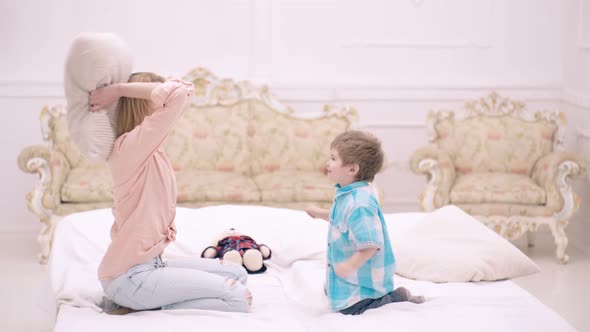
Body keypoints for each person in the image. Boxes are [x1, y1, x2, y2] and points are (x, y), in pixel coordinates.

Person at [90, 72, 252, 314]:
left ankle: (150, 300)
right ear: (141, 101)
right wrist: (118, 90)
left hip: (153, 265)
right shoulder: (128, 149)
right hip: (129, 278)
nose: (161, 94)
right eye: (154, 91)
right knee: (238, 298)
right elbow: (180, 92)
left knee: (237, 273)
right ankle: (146, 303)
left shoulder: (148, 150)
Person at [306, 130, 424, 315]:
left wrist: (349, 266)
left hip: (363, 286)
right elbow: (343, 218)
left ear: (352, 169)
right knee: (334, 295)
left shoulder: (360, 204)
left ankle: (392, 298)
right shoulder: (348, 194)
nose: (328, 163)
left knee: (350, 309)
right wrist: (320, 214)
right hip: (348, 280)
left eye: (333, 159)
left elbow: (371, 244)